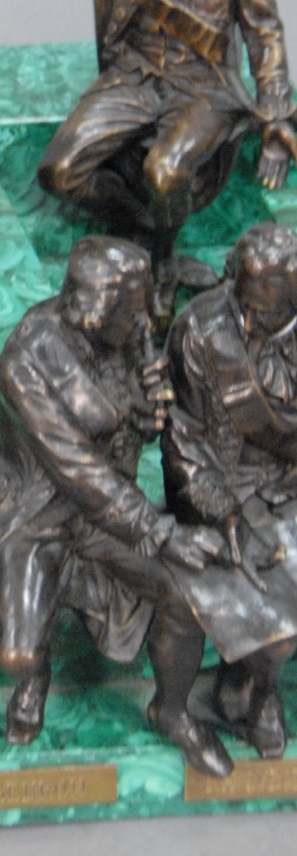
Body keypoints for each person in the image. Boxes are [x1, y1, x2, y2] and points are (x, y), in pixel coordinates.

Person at [0, 235, 239, 778]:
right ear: (93, 310)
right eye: (131, 312)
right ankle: (35, 674)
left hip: (111, 506)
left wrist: (149, 410)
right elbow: (76, 469)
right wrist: (163, 532)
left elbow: (131, 427)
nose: (144, 321)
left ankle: (172, 711)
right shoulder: (24, 364)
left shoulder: (123, 331)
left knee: (186, 597)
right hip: (38, 511)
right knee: (16, 655)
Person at [38, 0, 297, 307]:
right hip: (134, 75)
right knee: (59, 170)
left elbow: (264, 32)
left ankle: (162, 258)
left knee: (166, 170)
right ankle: (148, 224)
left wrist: (275, 117)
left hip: (203, 87)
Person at [164, 222, 297, 758]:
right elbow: (184, 440)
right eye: (240, 301)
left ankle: (256, 679)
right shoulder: (200, 329)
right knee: (268, 603)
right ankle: (258, 688)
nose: (245, 320)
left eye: (263, 312)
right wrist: (224, 513)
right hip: (226, 488)